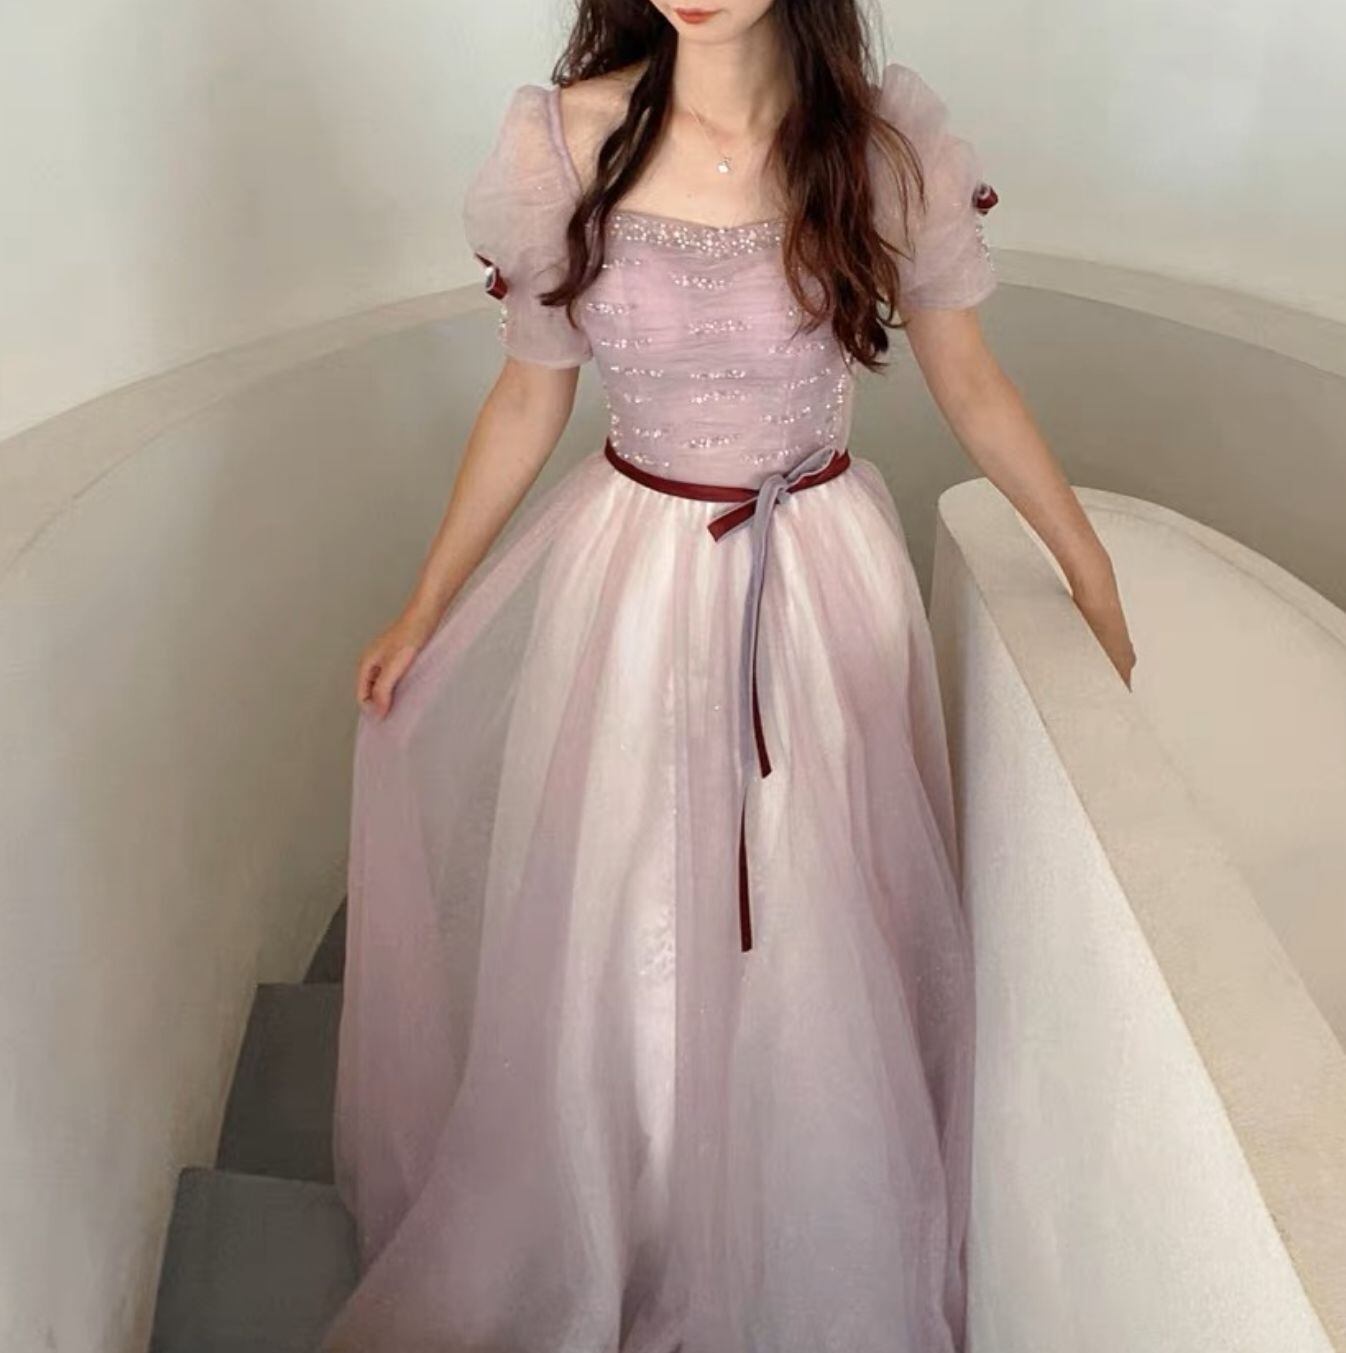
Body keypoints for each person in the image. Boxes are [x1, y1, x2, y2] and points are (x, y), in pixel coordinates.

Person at [321, 4, 1136, 1350]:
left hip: (817, 578)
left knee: (815, 896)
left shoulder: (879, 143)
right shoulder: (564, 141)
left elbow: (971, 384)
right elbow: (529, 394)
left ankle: (803, 1211)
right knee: (626, 893)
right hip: (629, 579)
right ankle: (627, 1208)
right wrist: (426, 602)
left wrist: (1086, 562)